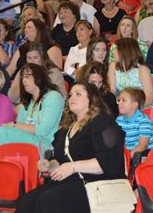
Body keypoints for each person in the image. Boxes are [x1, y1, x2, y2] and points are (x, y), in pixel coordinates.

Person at [16, 81, 126, 213]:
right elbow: (61, 162)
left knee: (49, 200)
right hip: (70, 183)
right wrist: (49, 166)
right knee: (26, 201)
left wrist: (74, 167)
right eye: (71, 94)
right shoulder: (66, 129)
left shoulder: (103, 122)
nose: (72, 97)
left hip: (97, 185)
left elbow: (110, 161)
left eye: (78, 94)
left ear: (92, 100)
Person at [0, 63, 64, 159]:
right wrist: (15, 126)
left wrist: (14, 124)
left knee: (5, 131)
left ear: (39, 77)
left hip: (44, 144)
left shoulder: (53, 97)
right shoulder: (28, 101)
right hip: (26, 140)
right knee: (3, 131)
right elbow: (19, 128)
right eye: (22, 77)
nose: (24, 80)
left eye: (27, 76)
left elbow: (43, 130)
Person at [108, 38, 153, 107]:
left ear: (125, 51)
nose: (113, 51)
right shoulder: (113, 67)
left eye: (116, 48)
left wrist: (132, 106)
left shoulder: (142, 70)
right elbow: (112, 92)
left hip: (144, 106)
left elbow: (149, 97)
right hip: (124, 105)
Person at [116, 87, 153, 157]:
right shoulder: (118, 120)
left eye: (123, 100)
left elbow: (142, 146)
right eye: (119, 100)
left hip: (147, 151)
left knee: (139, 158)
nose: (119, 103)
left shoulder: (144, 121)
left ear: (135, 105)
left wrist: (127, 158)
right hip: (129, 151)